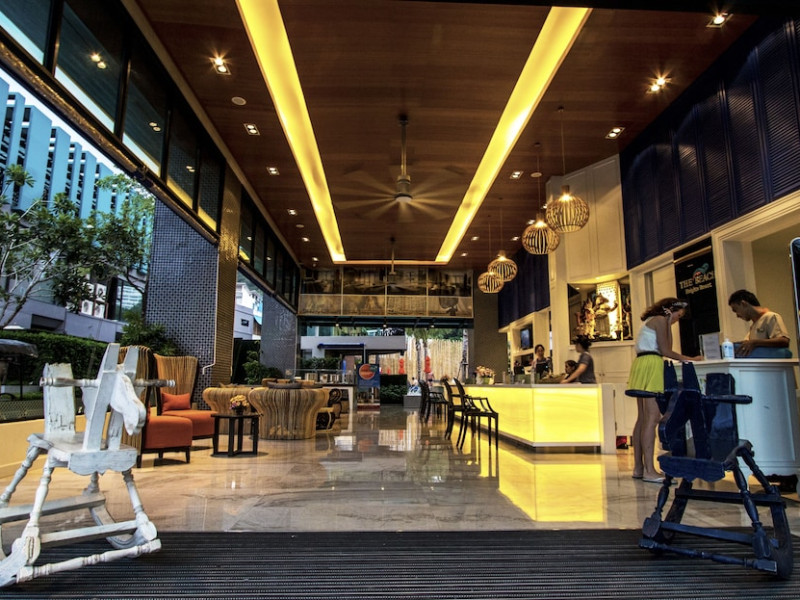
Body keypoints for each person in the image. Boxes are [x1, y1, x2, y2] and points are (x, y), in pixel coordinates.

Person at [628, 298, 702, 483]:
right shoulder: (660, 320)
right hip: (652, 364)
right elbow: (667, 350)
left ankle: (639, 467)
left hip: (641, 364)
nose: (677, 320)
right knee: (652, 418)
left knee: (642, 418)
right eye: (678, 315)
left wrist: (669, 323)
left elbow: (666, 347)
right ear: (670, 310)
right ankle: (650, 470)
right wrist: (691, 359)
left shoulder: (651, 320)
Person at [727, 289, 790, 357]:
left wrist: (755, 343)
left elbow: (784, 341)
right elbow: (748, 343)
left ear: (743, 304)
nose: (737, 315)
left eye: (736, 310)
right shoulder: (754, 326)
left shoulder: (771, 317)